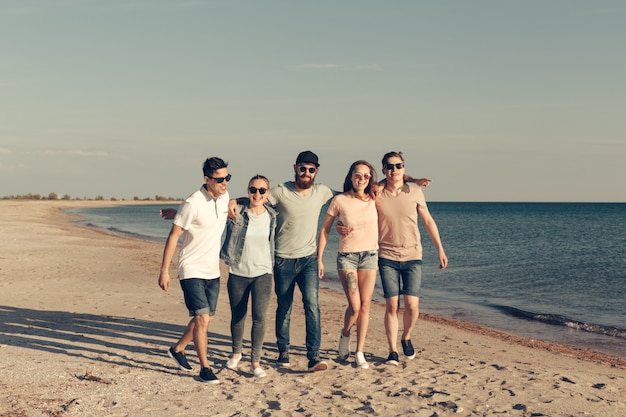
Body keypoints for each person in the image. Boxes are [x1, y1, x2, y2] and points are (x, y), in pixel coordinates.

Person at [158, 156, 231, 384]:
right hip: (191, 269)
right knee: (201, 319)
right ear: (206, 179)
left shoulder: (225, 196)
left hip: (213, 270)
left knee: (206, 318)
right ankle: (205, 369)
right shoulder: (192, 203)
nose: (225, 183)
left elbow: (230, 204)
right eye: (220, 179)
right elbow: (173, 236)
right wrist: (164, 271)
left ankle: (178, 349)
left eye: (228, 177)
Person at [375, 151, 448, 365]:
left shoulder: (415, 191)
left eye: (398, 166)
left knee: (412, 306)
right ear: (383, 170)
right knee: (391, 305)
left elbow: (428, 221)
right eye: (389, 166)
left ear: (404, 168)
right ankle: (392, 351)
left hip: (413, 255)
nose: (394, 170)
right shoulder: (377, 192)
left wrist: (440, 249)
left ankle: (406, 336)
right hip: (387, 255)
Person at [317, 160, 379, 369]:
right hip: (347, 257)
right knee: (355, 306)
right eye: (358, 175)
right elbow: (325, 229)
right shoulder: (340, 200)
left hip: (370, 255)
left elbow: (396, 178)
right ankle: (345, 335)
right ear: (351, 176)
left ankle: (359, 352)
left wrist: (414, 180)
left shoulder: (375, 197)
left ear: (371, 179)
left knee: (366, 305)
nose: (361, 179)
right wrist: (319, 259)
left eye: (366, 176)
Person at [220, 175, 277, 378]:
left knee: (259, 318)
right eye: (253, 190)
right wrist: (233, 201)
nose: (257, 194)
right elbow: (213, 213)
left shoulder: (272, 214)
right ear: (248, 191)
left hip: (263, 273)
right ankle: (236, 353)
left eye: (262, 190)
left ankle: (255, 361)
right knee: (238, 316)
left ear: (267, 193)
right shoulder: (236, 213)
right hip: (238, 272)